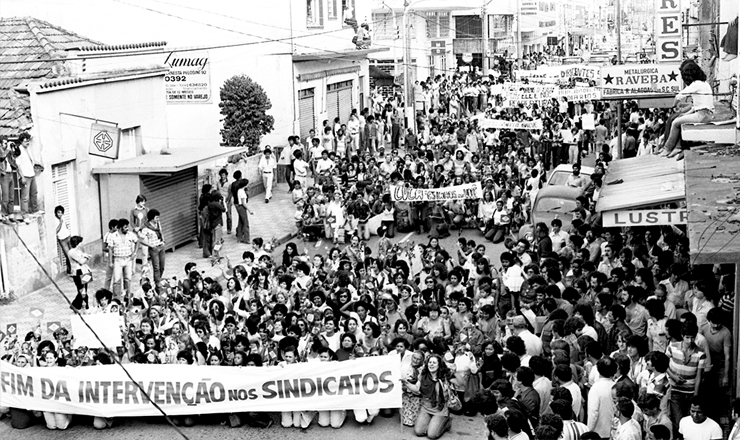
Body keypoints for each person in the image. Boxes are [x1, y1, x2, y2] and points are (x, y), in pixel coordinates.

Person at [404, 353, 453, 439]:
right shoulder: (423, 375)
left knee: (431, 435)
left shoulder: (444, 377)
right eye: (430, 362)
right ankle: (432, 422)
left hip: (440, 409)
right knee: (418, 432)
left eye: (434, 363)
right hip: (426, 407)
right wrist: (406, 383)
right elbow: (416, 388)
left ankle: (447, 422)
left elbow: (457, 383)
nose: (431, 364)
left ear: (439, 365)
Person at [109, 219, 138, 301]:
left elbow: (137, 241)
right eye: (125, 227)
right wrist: (111, 262)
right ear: (120, 228)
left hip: (128, 259)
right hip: (118, 260)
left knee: (128, 279)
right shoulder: (113, 236)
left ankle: (127, 297)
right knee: (117, 280)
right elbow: (110, 249)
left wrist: (134, 253)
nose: (127, 228)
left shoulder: (130, 234)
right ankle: (117, 298)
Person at [587, 357, 617, 438]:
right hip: (614, 431)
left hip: (599, 433)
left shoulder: (595, 388)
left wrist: (589, 431)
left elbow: (593, 413)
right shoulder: (616, 386)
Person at [15, 132, 42, 220]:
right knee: (25, 196)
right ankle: (25, 214)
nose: (27, 143)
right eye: (26, 141)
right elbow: (18, 166)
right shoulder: (18, 150)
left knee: (34, 193)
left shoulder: (28, 148)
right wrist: (22, 177)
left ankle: (34, 210)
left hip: (31, 174)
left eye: (28, 141)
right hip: (25, 176)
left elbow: (31, 160)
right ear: (21, 141)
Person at [140, 209, 166, 286]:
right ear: (152, 218)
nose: (158, 219)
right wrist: (151, 246)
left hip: (161, 246)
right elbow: (141, 240)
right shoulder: (145, 227)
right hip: (154, 249)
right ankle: (157, 282)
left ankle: (159, 279)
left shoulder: (158, 223)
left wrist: (163, 241)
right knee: (156, 267)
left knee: (162, 266)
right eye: (157, 217)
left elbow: (161, 232)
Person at [54, 205, 72, 276]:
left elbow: (65, 225)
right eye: (58, 213)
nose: (60, 214)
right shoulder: (55, 220)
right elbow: (56, 231)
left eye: (61, 213)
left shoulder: (62, 217)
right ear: (56, 213)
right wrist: (60, 222)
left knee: (71, 254)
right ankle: (70, 271)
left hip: (68, 236)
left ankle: (70, 270)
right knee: (68, 255)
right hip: (62, 239)